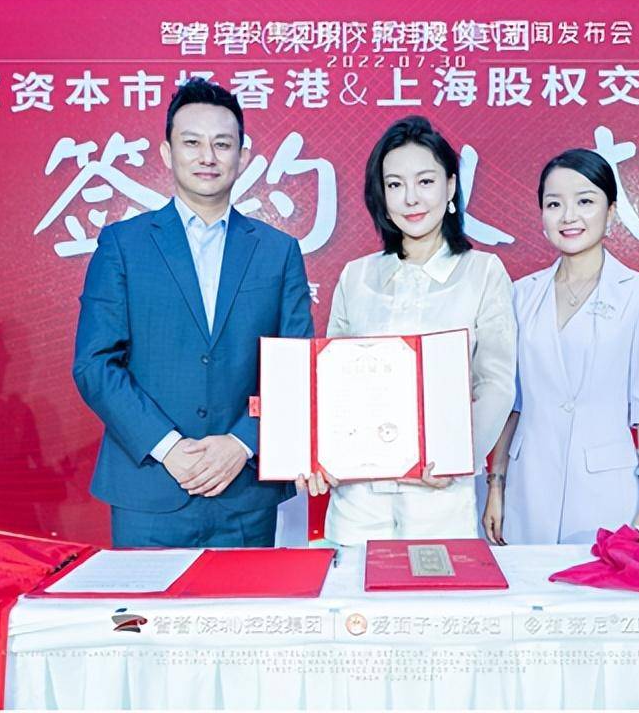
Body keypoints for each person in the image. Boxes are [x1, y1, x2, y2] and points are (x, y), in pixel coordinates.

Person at [73, 78, 314, 547]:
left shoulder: (278, 251)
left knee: (244, 600)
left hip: (244, 492)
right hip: (150, 487)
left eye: (222, 144)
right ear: (166, 153)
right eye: (192, 143)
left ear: (242, 156)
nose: (208, 156)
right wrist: (168, 447)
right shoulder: (123, 245)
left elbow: (298, 366)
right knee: (146, 601)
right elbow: (95, 364)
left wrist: (243, 442)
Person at [302, 115, 516, 546]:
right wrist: (318, 454)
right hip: (358, 500)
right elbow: (330, 384)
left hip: (440, 497)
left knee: (433, 589)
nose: (411, 198)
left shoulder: (482, 273)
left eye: (425, 181)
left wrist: (456, 457)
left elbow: (496, 383)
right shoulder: (357, 277)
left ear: (450, 186)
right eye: (395, 184)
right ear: (381, 195)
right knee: (354, 591)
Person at [482, 148, 639, 546]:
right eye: (554, 204)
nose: (569, 216)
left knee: (602, 585)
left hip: (607, 492)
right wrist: (496, 485)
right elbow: (508, 402)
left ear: (611, 213)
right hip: (527, 486)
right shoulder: (519, 295)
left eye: (585, 202)